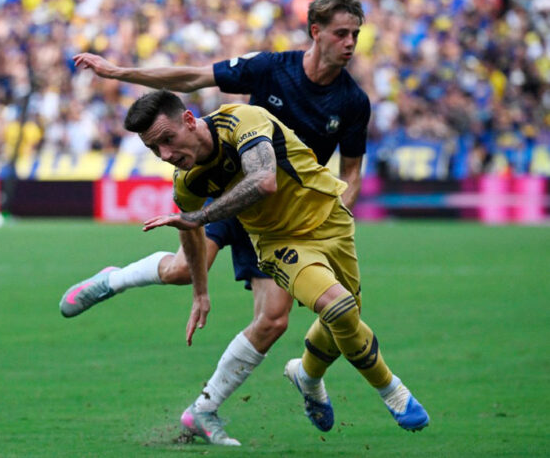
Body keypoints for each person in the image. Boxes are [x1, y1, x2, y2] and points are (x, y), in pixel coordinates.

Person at [62, 0, 373, 440]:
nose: (350, 42)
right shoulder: (270, 68)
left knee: (274, 320)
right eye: (341, 33)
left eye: (355, 34)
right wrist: (121, 72)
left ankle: (203, 410)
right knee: (182, 271)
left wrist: (332, 222)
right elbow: (194, 76)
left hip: (285, 218)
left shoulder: (353, 101)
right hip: (234, 190)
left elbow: (351, 174)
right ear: (316, 32)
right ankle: (114, 279)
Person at [133, 89, 430, 445]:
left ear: (188, 120)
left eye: (167, 139)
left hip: (331, 219)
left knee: (344, 319)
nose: (165, 155)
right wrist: (200, 291)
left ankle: (307, 375)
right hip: (278, 243)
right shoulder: (187, 182)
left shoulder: (241, 119)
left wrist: (201, 216)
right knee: (338, 307)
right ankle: (391, 390)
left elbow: (263, 180)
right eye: (154, 149)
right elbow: (189, 231)